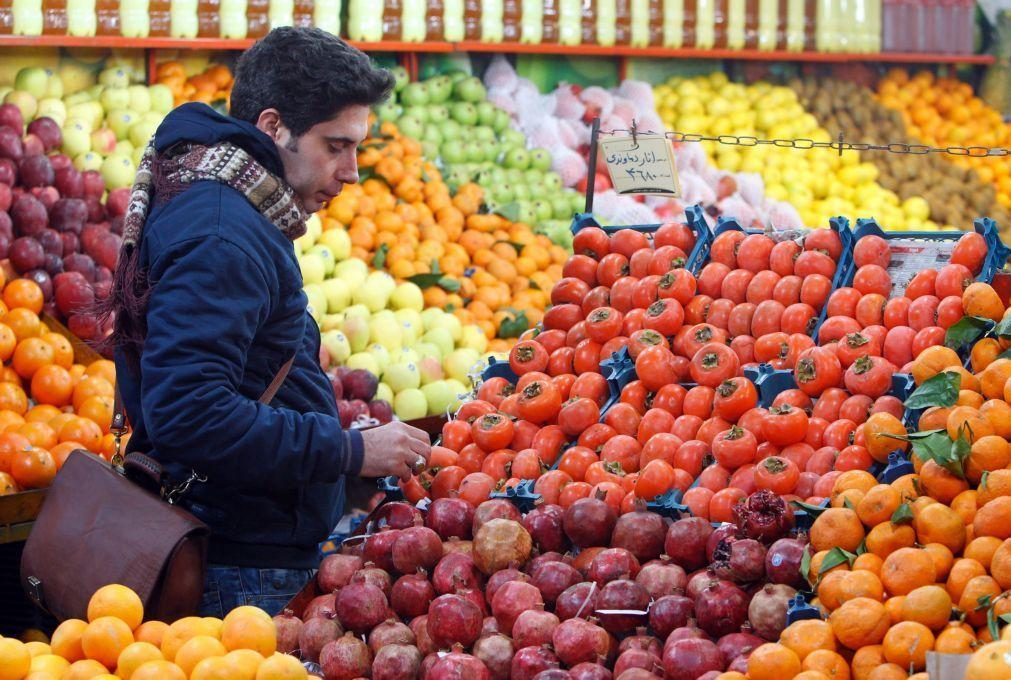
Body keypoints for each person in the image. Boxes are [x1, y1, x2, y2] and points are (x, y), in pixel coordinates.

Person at [102, 27, 431, 617]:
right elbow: (190, 411)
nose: (352, 171)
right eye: (336, 146)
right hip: (238, 554)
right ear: (273, 127)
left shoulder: (225, 198)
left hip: (244, 530)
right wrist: (350, 452)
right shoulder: (224, 234)